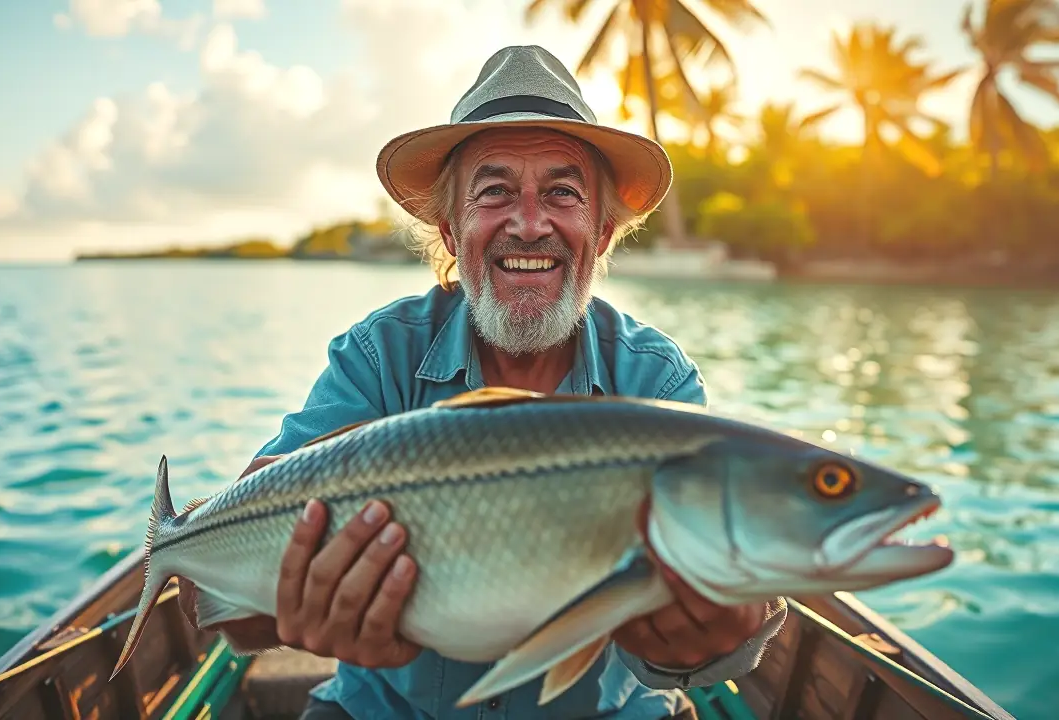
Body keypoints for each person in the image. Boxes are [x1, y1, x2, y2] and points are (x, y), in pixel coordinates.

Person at [179, 45, 787, 719]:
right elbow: (232, 606)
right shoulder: (376, 354)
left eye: (563, 192)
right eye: (494, 192)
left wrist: (705, 638)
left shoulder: (656, 379)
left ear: (604, 231)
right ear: (450, 228)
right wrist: (286, 609)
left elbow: (689, 661)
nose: (530, 223)